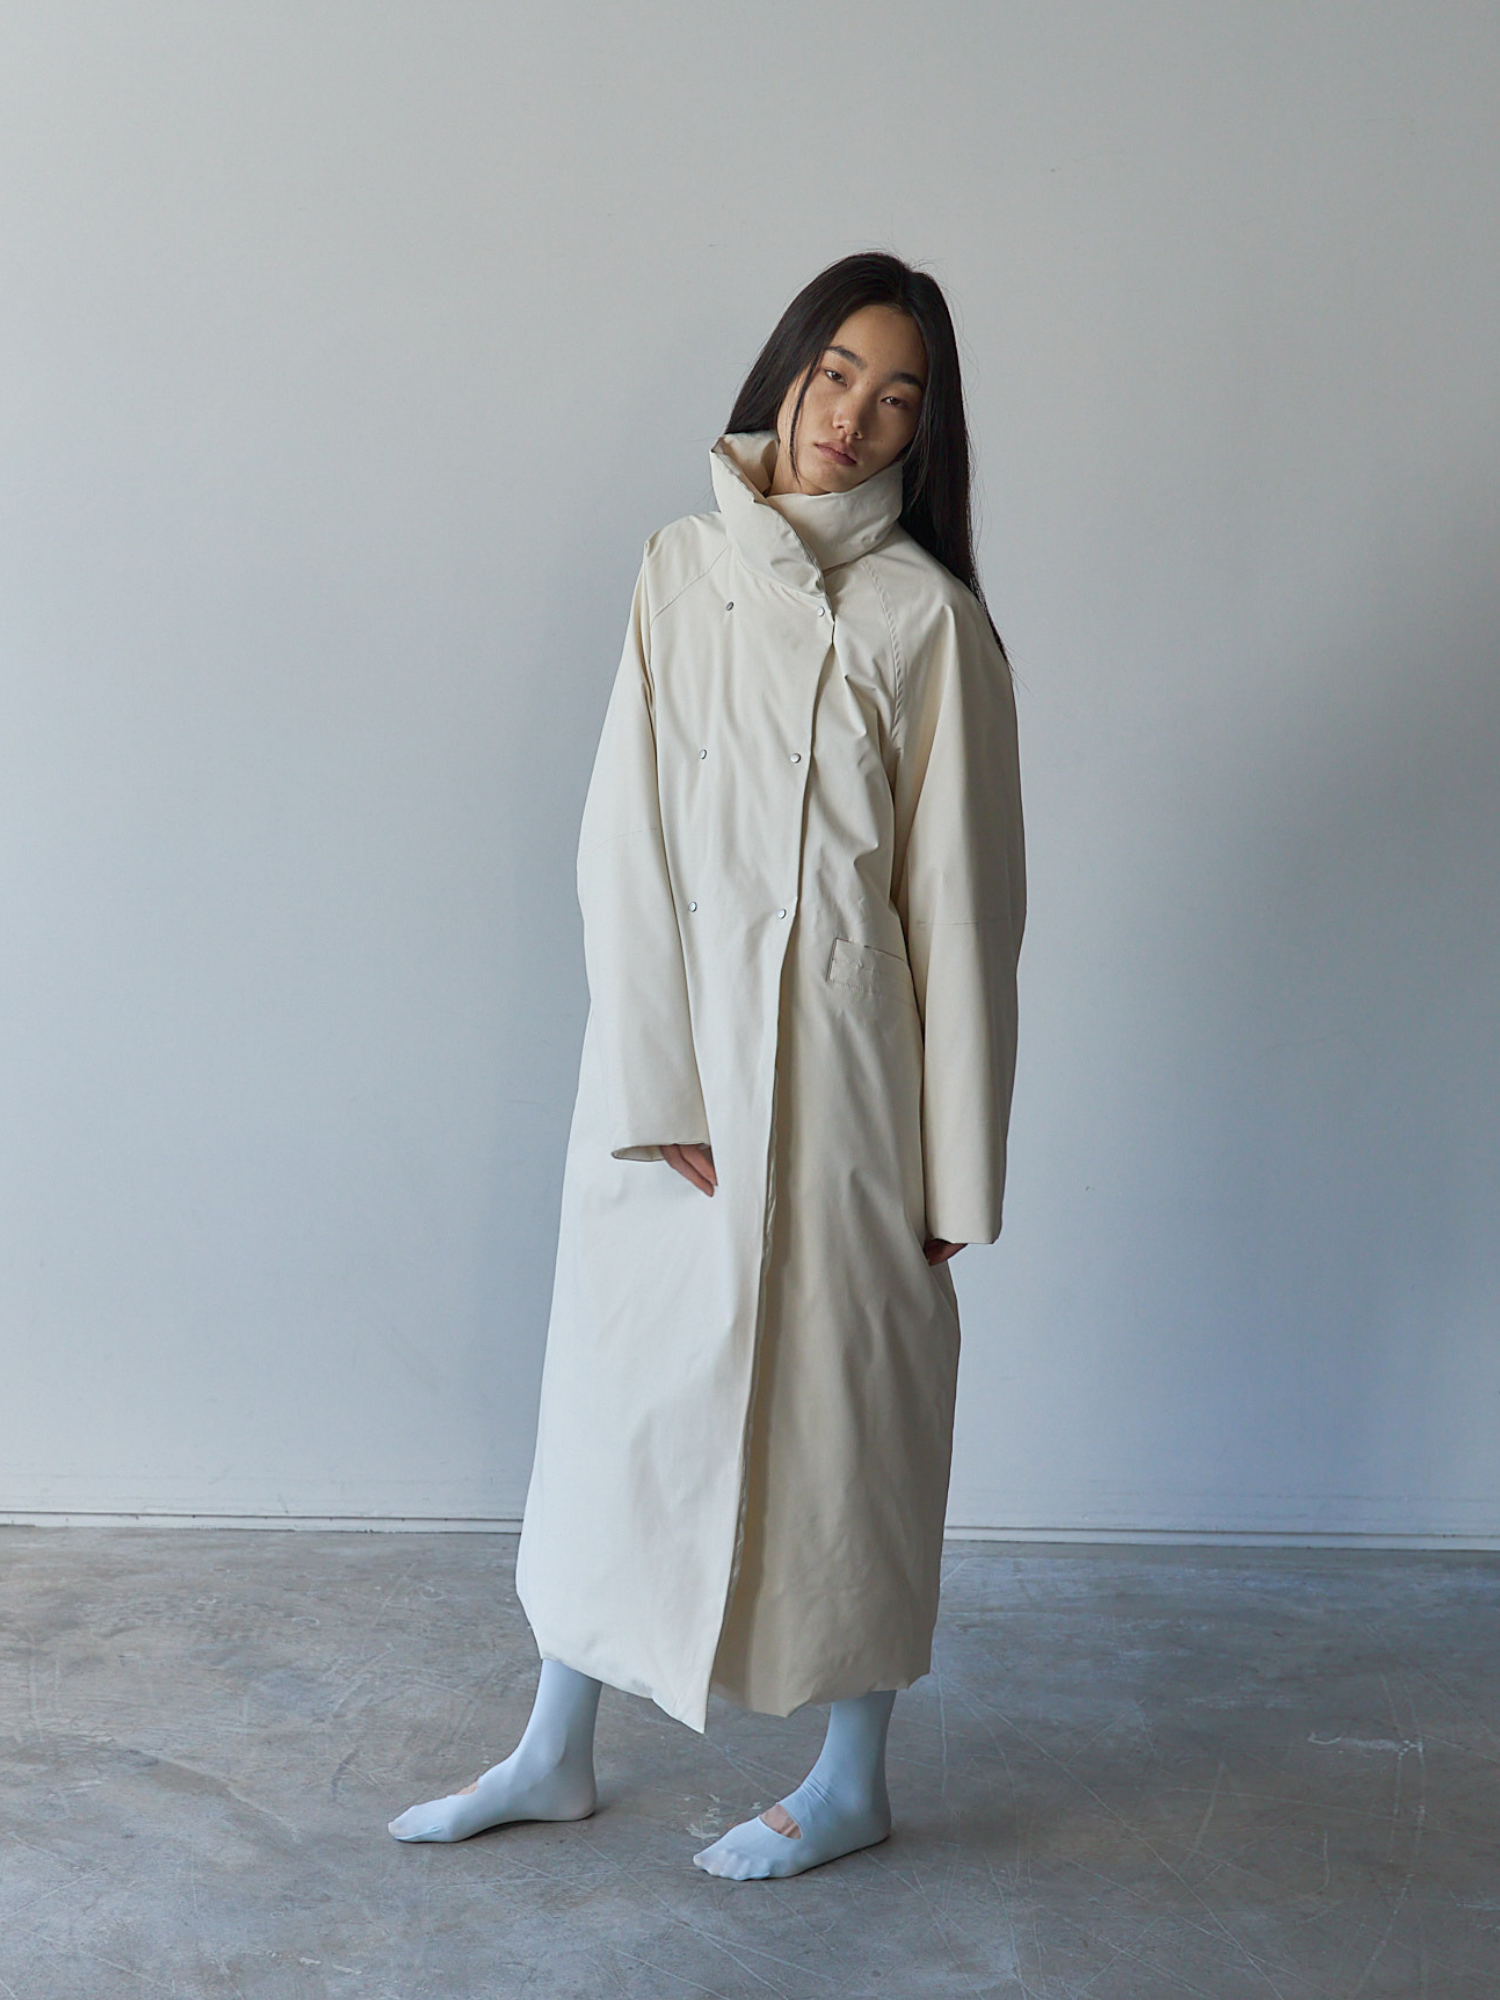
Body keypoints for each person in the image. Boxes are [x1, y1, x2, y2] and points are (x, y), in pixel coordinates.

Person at [389, 250, 1026, 1880]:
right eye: (836, 372)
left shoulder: (932, 622)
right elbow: (623, 841)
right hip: (666, 1086)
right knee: (623, 1406)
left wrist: (954, 1178)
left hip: (853, 1094)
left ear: (927, 431)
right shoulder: (678, 570)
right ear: (789, 368)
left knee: (855, 1427)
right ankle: (554, 1750)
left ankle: (854, 1775)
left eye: (898, 396)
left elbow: (965, 915)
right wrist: (655, 1085)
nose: (853, 416)